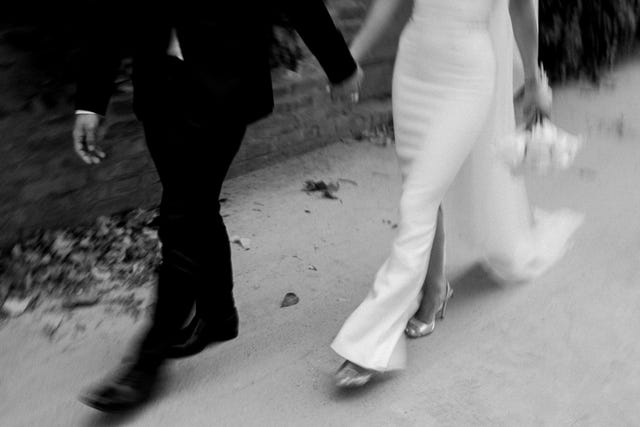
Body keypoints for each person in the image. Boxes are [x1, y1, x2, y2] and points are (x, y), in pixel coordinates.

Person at [72, 1, 361, 411]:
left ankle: (146, 363)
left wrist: (340, 65)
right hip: (158, 84)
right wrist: (91, 102)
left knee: (180, 218)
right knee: (196, 204)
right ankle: (218, 314)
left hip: (227, 82)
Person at [332, 0, 584, 387]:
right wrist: (351, 56)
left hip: (466, 77)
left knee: (417, 197)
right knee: (418, 184)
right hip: (414, 64)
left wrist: (533, 81)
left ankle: (370, 339)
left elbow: (522, 11)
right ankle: (434, 285)